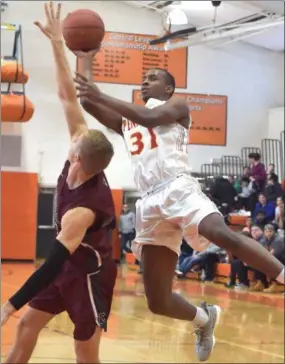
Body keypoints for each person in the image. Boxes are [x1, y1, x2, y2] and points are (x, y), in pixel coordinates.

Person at [74, 42, 285, 363]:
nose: (145, 81)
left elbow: (147, 116)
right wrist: (85, 59)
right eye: (143, 77)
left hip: (178, 187)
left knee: (222, 233)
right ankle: (204, 319)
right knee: (157, 301)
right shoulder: (126, 121)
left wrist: (101, 94)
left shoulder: (177, 107)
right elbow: (88, 100)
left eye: (153, 77)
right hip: (149, 202)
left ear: (169, 87)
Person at [1, 3, 116, 364]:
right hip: (67, 268)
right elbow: (68, 95)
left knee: (84, 353)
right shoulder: (83, 151)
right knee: (27, 327)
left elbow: (50, 264)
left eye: (73, 145)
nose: (70, 139)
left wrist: (9, 303)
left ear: (79, 159)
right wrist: (56, 42)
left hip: (88, 277)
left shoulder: (82, 212)